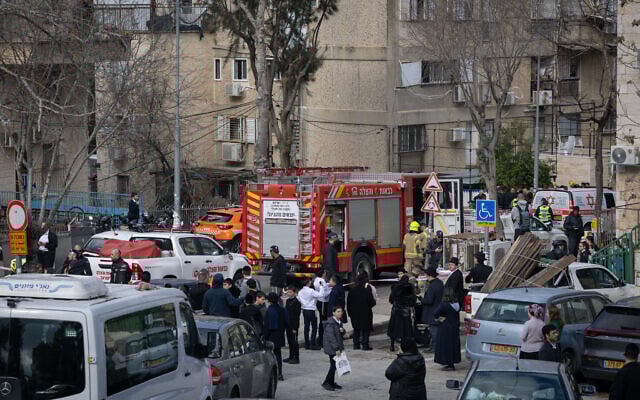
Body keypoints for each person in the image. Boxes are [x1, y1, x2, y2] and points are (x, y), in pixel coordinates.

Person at [433, 286, 461, 371]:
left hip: (445, 327)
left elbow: (435, 313)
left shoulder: (444, 305)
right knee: (453, 345)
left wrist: (440, 318)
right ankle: (452, 361)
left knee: (445, 345)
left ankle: (447, 362)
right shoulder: (457, 304)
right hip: (455, 326)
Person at [347, 273, 376, 351]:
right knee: (365, 330)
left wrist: (350, 313)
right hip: (365, 314)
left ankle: (356, 345)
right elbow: (372, 303)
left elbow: (348, 303)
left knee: (356, 329)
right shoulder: (366, 291)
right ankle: (365, 345)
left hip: (354, 314)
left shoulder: (352, 291)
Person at [387, 274, 416, 352]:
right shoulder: (410, 288)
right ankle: (404, 347)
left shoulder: (395, 288)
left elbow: (391, 300)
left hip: (395, 312)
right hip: (405, 313)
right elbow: (413, 302)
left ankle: (392, 346)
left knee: (393, 329)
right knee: (406, 331)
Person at [265, 292, 288, 381]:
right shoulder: (282, 309)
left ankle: (271, 374)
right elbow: (286, 322)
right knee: (278, 355)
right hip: (280, 334)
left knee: (269, 356)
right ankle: (279, 373)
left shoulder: (270, 310)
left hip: (271, 336)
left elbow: (268, 326)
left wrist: (265, 337)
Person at [321, 306, 345, 392]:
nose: (340, 313)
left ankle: (331, 382)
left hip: (336, 347)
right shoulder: (331, 323)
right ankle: (327, 382)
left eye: (341, 311)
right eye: (338, 312)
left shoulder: (338, 322)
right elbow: (331, 337)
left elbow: (339, 334)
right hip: (332, 348)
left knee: (334, 366)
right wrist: (336, 349)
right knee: (333, 366)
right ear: (333, 313)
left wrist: (343, 331)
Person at [297, 279, 325, 350]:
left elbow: (299, 299)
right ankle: (312, 343)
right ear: (308, 283)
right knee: (314, 327)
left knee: (306, 326)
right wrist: (321, 287)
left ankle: (307, 344)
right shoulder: (311, 291)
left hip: (304, 310)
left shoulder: (300, 292)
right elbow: (320, 295)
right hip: (311, 310)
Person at [421, 267, 443, 353]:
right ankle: (435, 346)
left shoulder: (432, 286)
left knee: (434, 331)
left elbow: (428, 300)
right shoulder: (440, 283)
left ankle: (434, 347)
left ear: (429, 275)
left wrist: (421, 299)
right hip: (439, 309)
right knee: (436, 330)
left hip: (432, 311)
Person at [284, 286, 301, 364]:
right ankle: (291, 356)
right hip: (288, 324)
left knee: (294, 342)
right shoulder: (288, 301)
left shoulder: (297, 302)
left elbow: (296, 316)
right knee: (290, 341)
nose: (288, 293)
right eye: (288, 292)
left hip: (294, 325)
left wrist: (295, 327)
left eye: (290, 292)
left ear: (294, 293)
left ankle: (296, 357)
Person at [314, 270, 331, 347]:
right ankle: (322, 340)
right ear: (323, 274)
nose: (325, 274)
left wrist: (327, 285)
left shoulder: (317, 280)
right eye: (325, 273)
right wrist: (330, 290)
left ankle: (321, 339)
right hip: (324, 302)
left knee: (322, 320)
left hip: (319, 302)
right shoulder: (322, 280)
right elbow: (324, 293)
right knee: (323, 321)